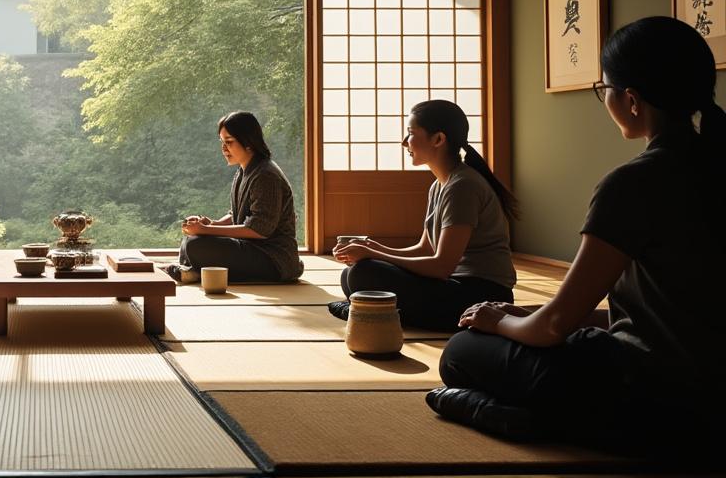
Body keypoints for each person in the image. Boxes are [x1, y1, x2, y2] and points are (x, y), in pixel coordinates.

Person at [428, 17, 726, 454]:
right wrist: (521, 315)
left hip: (655, 399)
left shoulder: (634, 183)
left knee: (462, 351)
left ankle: (525, 419)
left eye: (603, 89)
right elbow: (670, 315)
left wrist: (500, 321)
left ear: (632, 100)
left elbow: (552, 327)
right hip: (714, 406)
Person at [327, 100, 518, 331]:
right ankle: (373, 309)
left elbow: (441, 266)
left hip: (480, 297)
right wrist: (373, 248)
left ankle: (370, 310)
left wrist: (373, 254)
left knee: (363, 273)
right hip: (453, 285)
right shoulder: (440, 185)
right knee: (351, 274)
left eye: (410, 133)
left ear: (438, 139)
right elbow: (425, 249)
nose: (404, 142)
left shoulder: (463, 185)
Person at [167, 111, 302, 284]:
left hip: (274, 258)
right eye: (222, 142)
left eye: (229, 142)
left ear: (248, 143)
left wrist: (207, 231)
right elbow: (238, 214)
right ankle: (194, 272)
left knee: (196, 246)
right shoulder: (244, 170)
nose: (224, 148)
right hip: (252, 249)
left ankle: (195, 272)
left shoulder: (266, 175)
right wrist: (211, 224)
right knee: (191, 241)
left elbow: (259, 229)